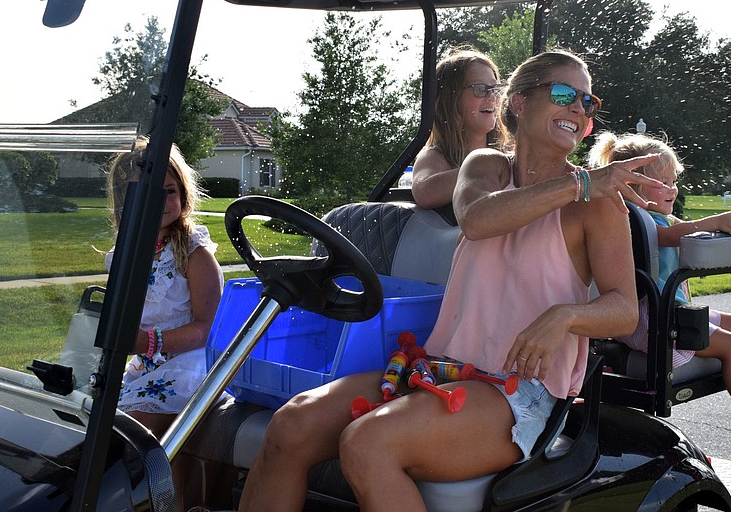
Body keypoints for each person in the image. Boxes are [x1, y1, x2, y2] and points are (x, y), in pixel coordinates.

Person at [238, 50, 667, 512]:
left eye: (588, 102)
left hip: (521, 390)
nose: (580, 109)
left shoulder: (597, 206)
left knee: (368, 444)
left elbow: (624, 308)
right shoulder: (486, 167)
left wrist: (565, 316)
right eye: (564, 94)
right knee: (291, 425)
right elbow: (478, 219)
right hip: (441, 365)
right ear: (519, 103)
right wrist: (581, 183)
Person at [588, 131, 731, 455]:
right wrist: (716, 221)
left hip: (667, 312)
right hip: (648, 320)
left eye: (674, 181)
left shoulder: (658, 217)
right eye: (664, 182)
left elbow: (682, 232)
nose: (673, 189)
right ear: (631, 186)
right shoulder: (629, 219)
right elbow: (669, 236)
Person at [106, 137, 224, 437]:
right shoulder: (125, 255)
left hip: (191, 364)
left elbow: (208, 329)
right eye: (147, 194)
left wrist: (147, 342)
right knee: (91, 416)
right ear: (124, 201)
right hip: (144, 366)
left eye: (169, 192)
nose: (160, 202)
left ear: (183, 195)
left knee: (130, 433)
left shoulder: (193, 254)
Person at [410, 48, 508, 209]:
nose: (492, 97)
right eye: (480, 89)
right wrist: (486, 168)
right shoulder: (437, 157)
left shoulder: (509, 152)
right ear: (451, 98)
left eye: (496, 89)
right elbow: (424, 193)